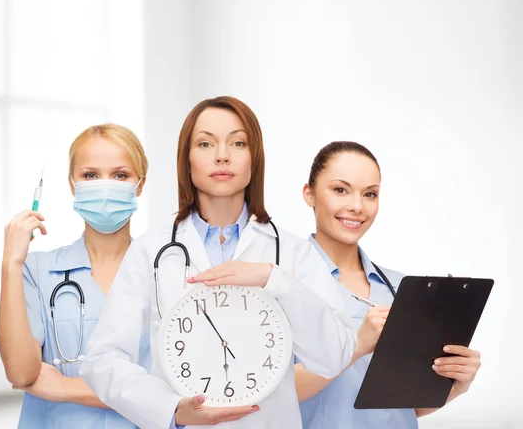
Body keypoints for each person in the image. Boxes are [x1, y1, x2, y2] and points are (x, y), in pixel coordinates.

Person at [80, 96, 357, 429]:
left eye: (238, 142)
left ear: (255, 159)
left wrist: (274, 279)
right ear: (187, 160)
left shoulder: (293, 253)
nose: (222, 155)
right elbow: (102, 358)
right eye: (205, 143)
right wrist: (169, 409)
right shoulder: (151, 251)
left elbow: (335, 355)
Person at [295, 141, 482, 428]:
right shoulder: (284, 282)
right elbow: (275, 395)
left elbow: (402, 407)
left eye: (370, 194)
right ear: (309, 194)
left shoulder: (401, 289)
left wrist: (456, 384)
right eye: (340, 190)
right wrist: (356, 346)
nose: (357, 206)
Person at [0, 124, 150, 428]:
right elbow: (22, 373)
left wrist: (61, 386)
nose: (105, 186)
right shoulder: (37, 271)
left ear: (139, 185)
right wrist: (11, 263)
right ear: (72, 185)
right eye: (90, 175)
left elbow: (172, 393)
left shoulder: (163, 273)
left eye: (120, 175)